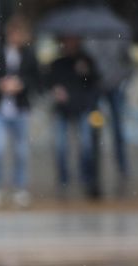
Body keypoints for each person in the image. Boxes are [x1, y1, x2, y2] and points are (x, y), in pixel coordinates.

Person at [0, 15, 39, 210]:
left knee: (21, 150)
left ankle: (20, 187)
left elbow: (36, 79)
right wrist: (0, 84)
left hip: (20, 108)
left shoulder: (29, 55)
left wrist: (21, 85)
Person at [48, 35, 102, 200]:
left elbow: (96, 83)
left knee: (87, 146)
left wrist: (86, 72)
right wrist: (56, 91)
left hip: (83, 108)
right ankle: (64, 181)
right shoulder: (57, 63)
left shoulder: (86, 61)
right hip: (63, 110)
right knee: (60, 147)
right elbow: (48, 82)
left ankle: (88, 180)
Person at [86, 36, 133, 190]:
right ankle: (93, 170)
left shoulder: (118, 35)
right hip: (95, 89)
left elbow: (129, 63)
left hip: (115, 88)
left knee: (118, 129)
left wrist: (121, 79)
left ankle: (122, 166)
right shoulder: (88, 37)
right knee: (94, 130)